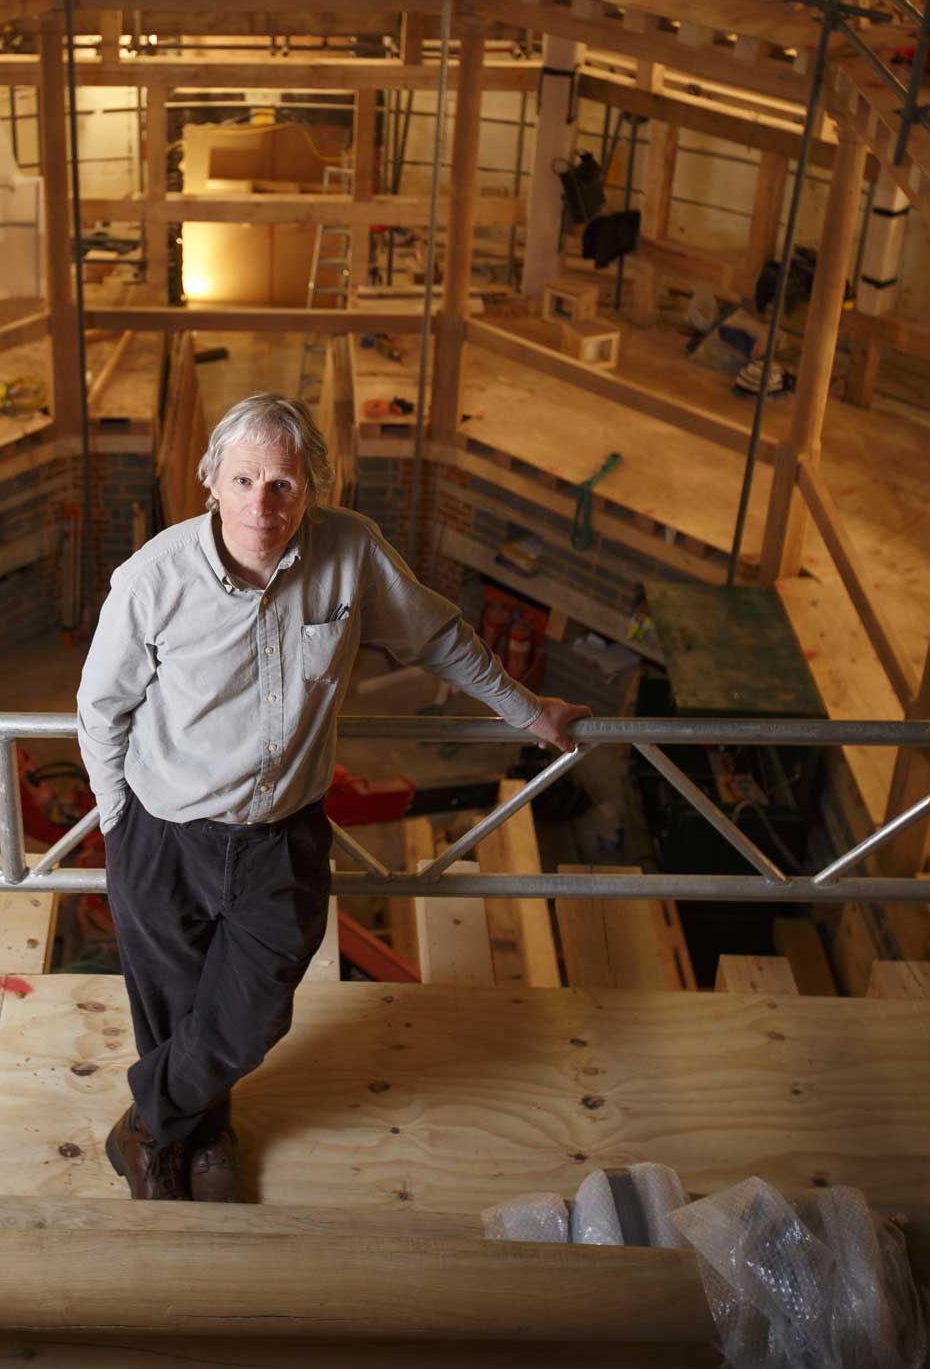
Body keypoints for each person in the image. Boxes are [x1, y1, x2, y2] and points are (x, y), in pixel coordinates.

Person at [76, 392, 589, 1203]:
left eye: (282, 484)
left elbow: (438, 636)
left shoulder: (351, 551)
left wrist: (529, 710)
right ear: (209, 480)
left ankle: (143, 1126)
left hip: (282, 837)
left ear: (312, 487)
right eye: (243, 480)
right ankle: (198, 1140)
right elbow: (101, 708)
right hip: (167, 834)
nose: (262, 504)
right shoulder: (152, 579)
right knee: (175, 1010)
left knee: (253, 1016)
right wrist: (118, 819)